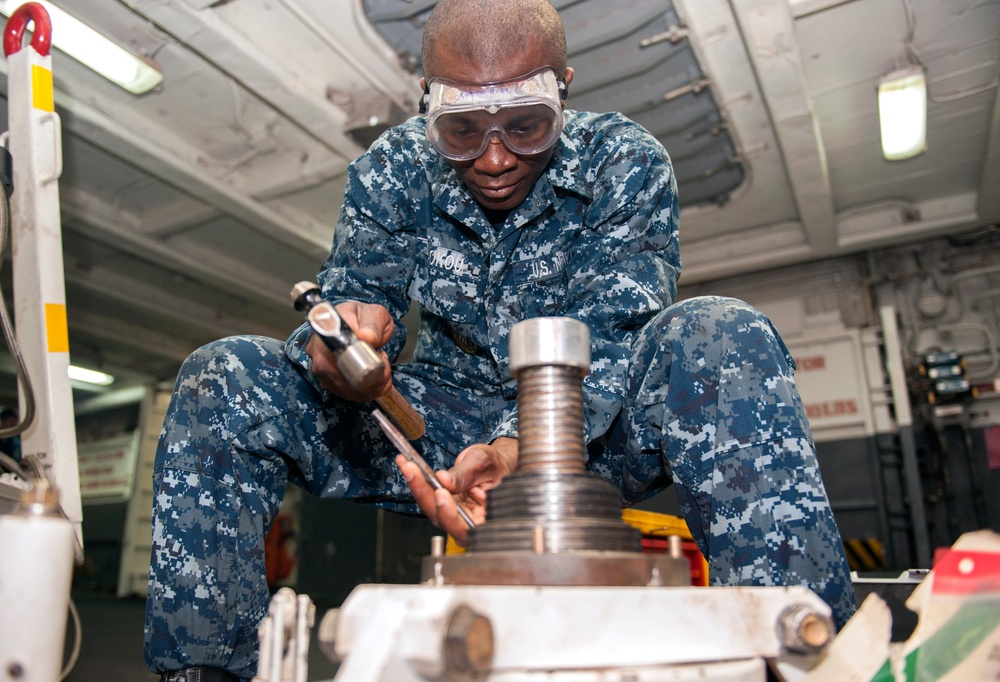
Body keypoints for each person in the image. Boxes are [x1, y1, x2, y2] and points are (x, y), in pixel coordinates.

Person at [144, 0, 856, 679]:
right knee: (226, 374)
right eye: (461, 131)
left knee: (719, 333)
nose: (492, 159)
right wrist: (340, 346)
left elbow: (611, 334)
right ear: (428, 99)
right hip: (437, 433)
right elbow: (352, 295)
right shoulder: (394, 169)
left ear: (564, 92)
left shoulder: (625, 163)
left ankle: (807, 654)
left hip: (592, 431)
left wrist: (522, 447)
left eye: (525, 125)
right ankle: (203, 671)